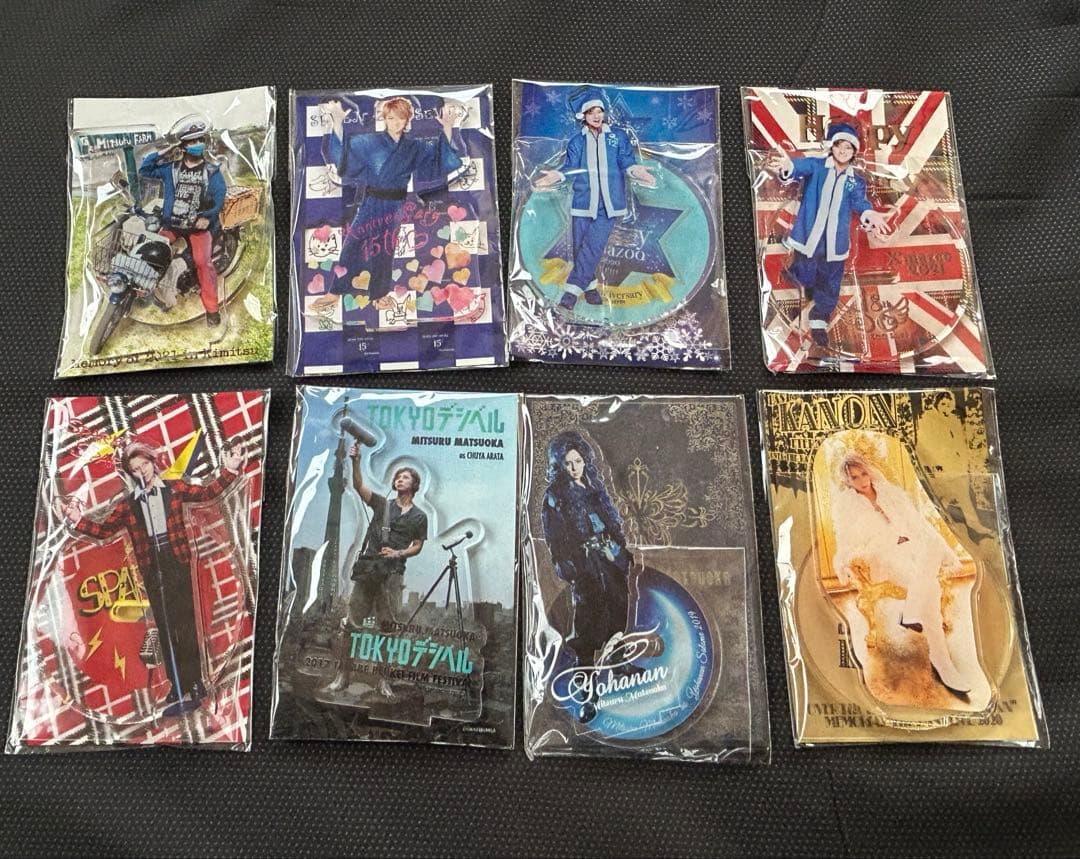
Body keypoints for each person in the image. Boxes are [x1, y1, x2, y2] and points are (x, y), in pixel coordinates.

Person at [57, 440, 245, 715]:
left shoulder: (175, 489)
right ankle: (177, 684)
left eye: (144, 464)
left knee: (185, 623)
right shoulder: (129, 505)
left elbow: (206, 493)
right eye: (135, 469)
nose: (142, 471)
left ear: (153, 463)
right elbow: (105, 530)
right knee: (165, 626)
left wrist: (230, 469)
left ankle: (196, 682)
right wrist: (77, 519)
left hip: (176, 559)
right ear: (130, 474)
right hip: (151, 566)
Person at [829, 453, 971, 695]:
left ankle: (911, 613)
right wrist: (891, 540)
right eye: (855, 477)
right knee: (930, 588)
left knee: (932, 548)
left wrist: (912, 539)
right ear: (847, 481)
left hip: (909, 546)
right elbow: (850, 543)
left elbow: (917, 524)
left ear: (869, 471)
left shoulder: (890, 492)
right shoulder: (846, 506)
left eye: (863, 474)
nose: (862, 480)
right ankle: (942, 662)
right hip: (881, 555)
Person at [317, 96, 463, 306]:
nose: (396, 123)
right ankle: (335, 291)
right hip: (371, 201)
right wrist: (337, 122)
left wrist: (448, 127)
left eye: (401, 118)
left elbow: (437, 158)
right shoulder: (370, 142)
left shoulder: (413, 147)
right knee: (353, 243)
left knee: (385, 248)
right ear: (385, 119)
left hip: (395, 205)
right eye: (391, 118)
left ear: (407, 120)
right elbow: (346, 154)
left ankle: (379, 295)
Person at [765, 122, 892, 348]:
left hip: (836, 242)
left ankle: (819, 320)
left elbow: (860, 202)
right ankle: (797, 272)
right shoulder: (817, 166)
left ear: (854, 151)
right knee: (806, 274)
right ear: (832, 147)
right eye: (839, 146)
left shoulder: (855, 181)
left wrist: (869, 213)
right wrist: (788, 166)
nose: (843, 151)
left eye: (848, 147)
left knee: (831, 283)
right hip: (809, 236)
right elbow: (798, 167)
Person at [533, 87, 656, 310]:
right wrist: (555, 176)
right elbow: (569, 168)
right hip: (582, 203)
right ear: (583, 116)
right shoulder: (576, 141)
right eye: (591, 112)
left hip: (610, 205)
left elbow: (627, 162)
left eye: (599, 111)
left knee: (592, 247)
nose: (597, 115)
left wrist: (638, 171)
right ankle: (590, 289)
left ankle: (570, 294)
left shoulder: (617, 137)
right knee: (580, 249)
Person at [541, 431, 635, 721]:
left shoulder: (596, 490)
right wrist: (573, 566)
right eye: (568, 463)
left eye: (578, 461)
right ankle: (587, 693)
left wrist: (616, 552)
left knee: (617, 614)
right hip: (586, 568)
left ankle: (619, 666)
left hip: (610, 563)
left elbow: (614, 527)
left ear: (585, 461)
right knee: (586, 629)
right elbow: (555, 539)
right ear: (559, 465)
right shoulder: (556, 497)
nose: (574, 467)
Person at [327, 443, 428, 698]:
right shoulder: (383, 504)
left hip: (392, 574)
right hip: (368, 569)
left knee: (389, 628)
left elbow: (418, 546)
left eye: (405, 477)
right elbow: (359, 486)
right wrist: (356, 461)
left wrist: (398, 553)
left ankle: (383, 681)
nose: (399, 479)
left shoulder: (419, 517)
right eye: (397, 476)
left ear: (414, 485)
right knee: (352, 624)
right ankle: (342, 676)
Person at [138, 115, 227, 326]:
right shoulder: (171, 169)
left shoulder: (212, 171)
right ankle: (144, 289)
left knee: (203, 263)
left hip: (198, 228)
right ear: (183, 145)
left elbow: (219, 197)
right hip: (172, 224)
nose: (198, 144)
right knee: (151, 249)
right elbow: (145, 169)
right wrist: (166, 151)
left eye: (200, 140)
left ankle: (212, 310)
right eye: (192, 141)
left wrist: (207, 217)